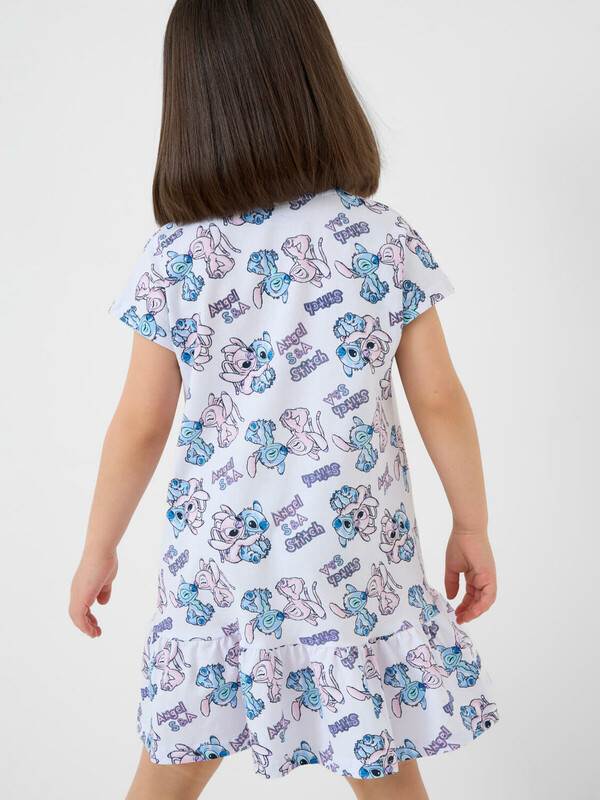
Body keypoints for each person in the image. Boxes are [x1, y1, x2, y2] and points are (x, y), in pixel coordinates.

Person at [69, 1, 500, 798]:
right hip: (354, 568)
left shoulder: (177, 257)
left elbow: (140, 424)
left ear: (191, 105)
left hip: (219, 576)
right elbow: (440, 398)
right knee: (383, 766)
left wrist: (100, 545)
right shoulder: (380, 238)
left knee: (169, 773)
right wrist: (469, 524)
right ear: (315, 84)